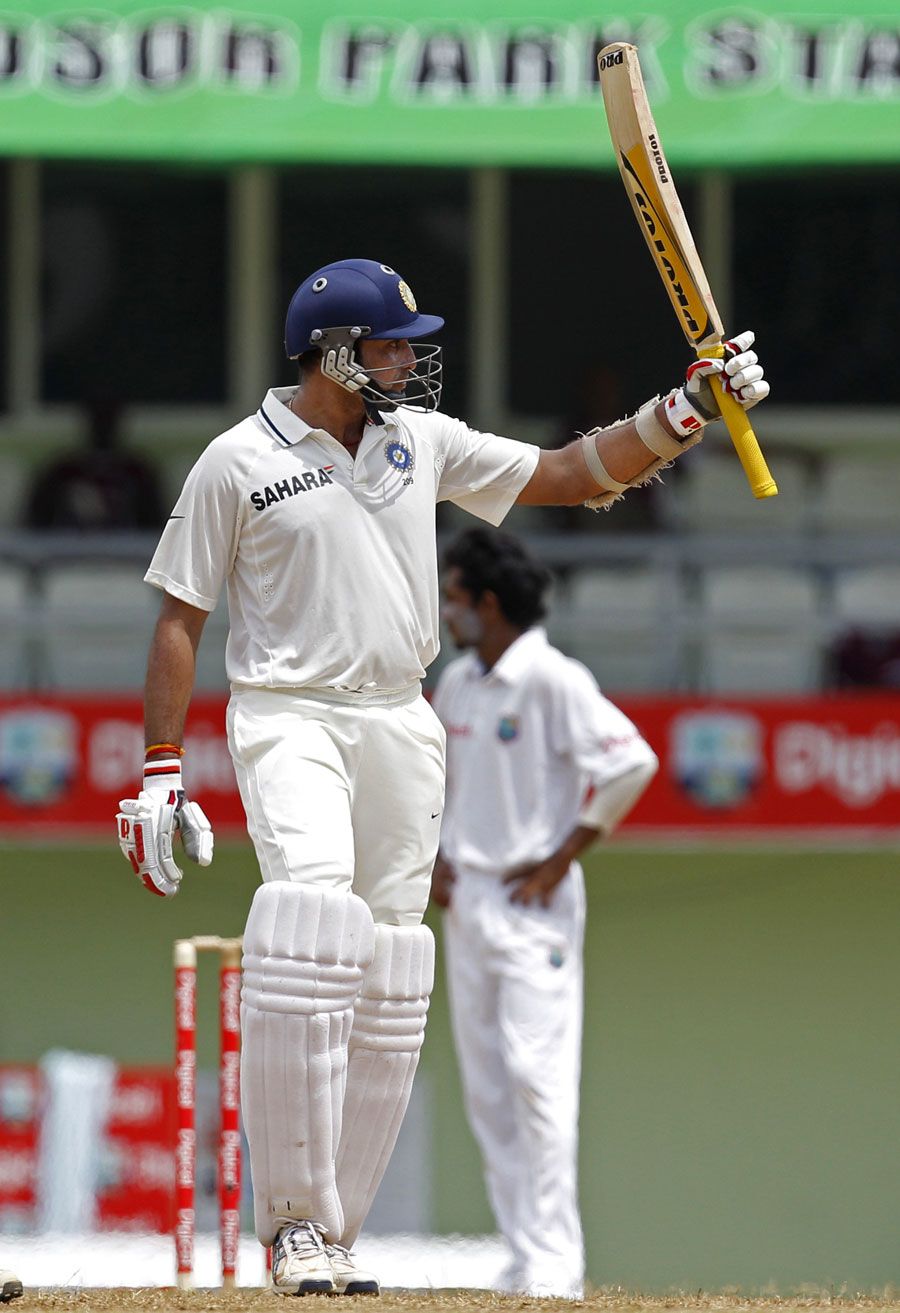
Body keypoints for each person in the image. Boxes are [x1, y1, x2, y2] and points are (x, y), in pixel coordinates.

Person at [113, 258, 768, 1296]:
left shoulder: (420, 442)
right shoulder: (236, 461)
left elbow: (571, 472)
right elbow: (180, 617)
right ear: (334, 355)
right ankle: (287, 1224)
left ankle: (334, 1228)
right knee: (310, 921)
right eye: (390, 344)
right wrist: (158, 771)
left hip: (399, 714)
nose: (411, 360)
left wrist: (686, 408)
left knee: (389, 961)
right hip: (291, 711)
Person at [430, 527, 658, 1300]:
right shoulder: (457, 683)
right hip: (469, 898)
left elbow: (632, 761)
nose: (446, 612)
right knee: (487, 1085)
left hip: (535, 900)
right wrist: (432, 854)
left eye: (454, 597)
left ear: (488, 603)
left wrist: (566, 854)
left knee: (538, 1077)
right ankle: (524, 1253)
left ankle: (557, 1265)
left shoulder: (554, 678)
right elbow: (434, 781)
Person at [25, 396, 165, 532]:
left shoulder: (137, 472)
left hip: (125, 551)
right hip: (69, 550)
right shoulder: (62, 472)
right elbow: (35, 523)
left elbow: (154, 527)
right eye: (98, 418)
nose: (103, 424)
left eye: (108, 419)